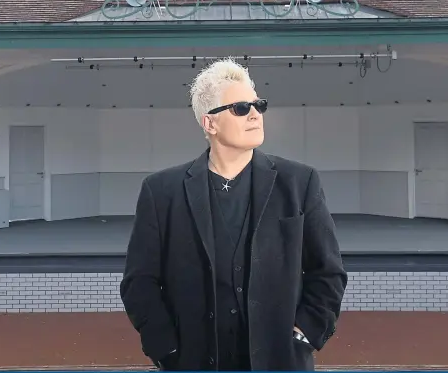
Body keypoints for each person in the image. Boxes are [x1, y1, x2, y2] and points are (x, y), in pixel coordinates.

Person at [120, 57, 347, 371]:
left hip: (280, 362)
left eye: (258, 105)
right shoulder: (161, 192)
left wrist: (305, 334)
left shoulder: (300, 183)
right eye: (241, 108)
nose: (255, 114)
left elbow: (328, 272)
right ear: (209, 123)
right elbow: (139, 282)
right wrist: (166, 350)